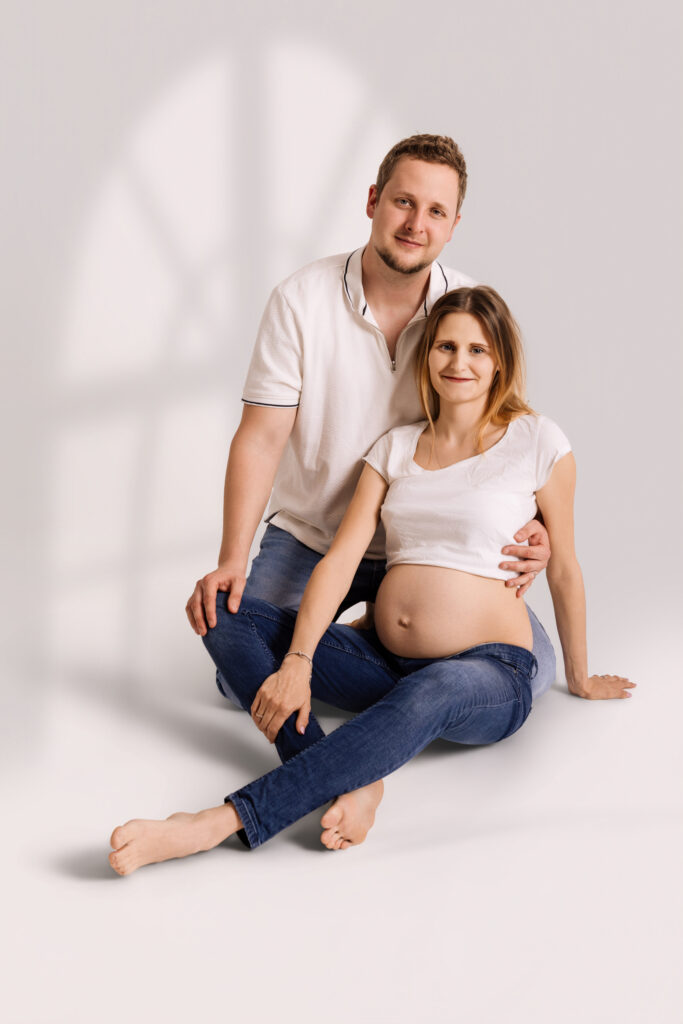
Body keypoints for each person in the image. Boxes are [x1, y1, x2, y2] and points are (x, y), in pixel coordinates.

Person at [108, 285, 634, 874]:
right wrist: (299, 660)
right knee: (224, 613)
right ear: (426, 356)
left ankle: (221, 821)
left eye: (477, 350)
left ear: (500, 362)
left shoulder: (538, 441)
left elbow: (563, 565)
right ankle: (356, 779)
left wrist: (580, 676)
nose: (459, 363)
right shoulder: (396, 448)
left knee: (432, 688)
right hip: (384, 662)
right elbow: (340, 561)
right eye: (446, 347)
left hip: (487, 670)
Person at [184, 134, 556, 703]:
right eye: (403, 202)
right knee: (237, 683)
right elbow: (260, 439)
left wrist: (540, 526)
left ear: (454, 224)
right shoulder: (300, 300)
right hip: (314, 536)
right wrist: (231, 559)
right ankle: (393, 656)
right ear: (373, 201)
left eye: (436, 211)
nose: (416, 224)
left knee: (535, 670)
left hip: (431, 542)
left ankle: (376, 647)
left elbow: (507, 434)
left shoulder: (466, 308)